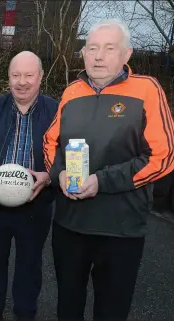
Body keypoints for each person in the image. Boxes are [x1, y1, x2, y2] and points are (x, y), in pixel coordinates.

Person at [43, 18, 174, 321]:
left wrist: (102, 181)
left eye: (108, 48)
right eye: (92, 48)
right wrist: (59, 174)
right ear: (84, 53)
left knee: (111, 312)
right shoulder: (72, 92)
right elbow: (50, 144)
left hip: (120, 229)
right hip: (70, 225)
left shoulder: (147, 90)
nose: (98, 56)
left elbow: (163, 156)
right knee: (67, 306)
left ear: (126, 54)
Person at [0, 51, 58, 321]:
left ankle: (25, 313)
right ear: (8, 78)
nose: (22, 82)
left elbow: (67, 152)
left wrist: (49, 175)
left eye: (29, 75)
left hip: (36, 204)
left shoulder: (56, 111)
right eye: (16, 75)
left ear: (40, 77)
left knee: (29, 265)